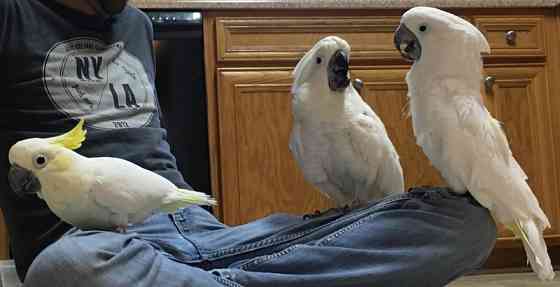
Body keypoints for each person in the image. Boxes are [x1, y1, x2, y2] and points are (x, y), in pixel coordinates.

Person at [0, 0, 497, 286]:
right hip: (94, 243)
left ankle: (220, 278)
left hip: (201, 229)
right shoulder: (12, 14)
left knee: (465, 222)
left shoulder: (135, 23)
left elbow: (146, 142)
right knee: (67, 272)